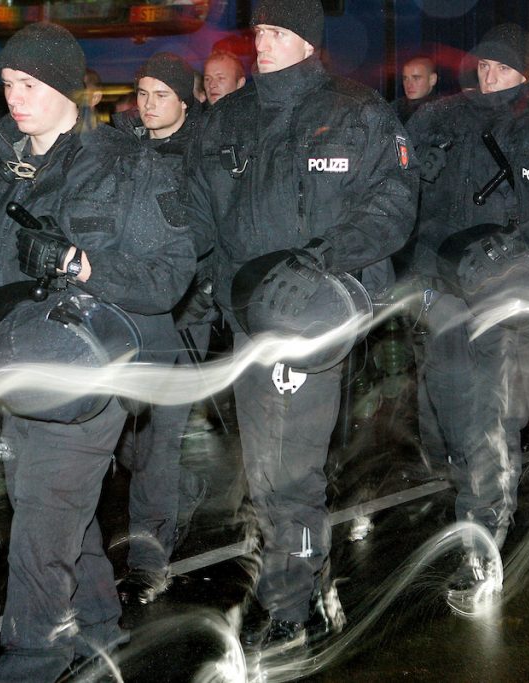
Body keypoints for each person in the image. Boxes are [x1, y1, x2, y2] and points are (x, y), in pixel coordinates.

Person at [0, 23, 195, 680]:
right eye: (11, 84)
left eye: (31, 84)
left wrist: (84, 264)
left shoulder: (127, 166)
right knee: (49, 508)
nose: (16, 98)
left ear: (67, 88)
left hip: (89, 374)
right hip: (15, 371)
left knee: (43, 519)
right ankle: (101, 627)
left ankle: (33, 656)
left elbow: (170, 275)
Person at [182, 0, 417, 654]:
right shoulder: (227, 117)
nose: (264, 43)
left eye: (278, 32)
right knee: (265, 469)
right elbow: (198, 215)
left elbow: (393, 204)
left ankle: (298, 593)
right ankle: (294, 574)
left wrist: (324, 258)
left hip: (313, 314)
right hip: (245, 317)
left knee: (294, 470)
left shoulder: (356, 112)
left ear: (308, 42)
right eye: (260, 31)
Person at [406, 23, 529, 583]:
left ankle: (485, 532)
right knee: (445, 405)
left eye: (501, 66)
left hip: (510, 289)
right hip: (446, 288)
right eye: (483, 65)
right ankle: (469, 498)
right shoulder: (445, 119)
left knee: (492, 414)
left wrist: (513, 250)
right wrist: (422, 270)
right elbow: (410, 201)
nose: (489, 74)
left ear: (525, 71)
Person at [112, 51, 210, 606]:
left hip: (180, 315)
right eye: (143, 94)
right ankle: (182, 491)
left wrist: (197, 304)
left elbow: (207, 232)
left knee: (157, 441)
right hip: (123, 308)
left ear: (184, 99)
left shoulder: (199, 156)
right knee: (122, 439)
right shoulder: (120, 148)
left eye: (161, 96)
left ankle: (148, 561)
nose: (149, 106)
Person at [393, 56, 438, 124]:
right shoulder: (394, 109)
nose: (409, 84)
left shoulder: (443, 112)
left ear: (432, 79)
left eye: (416, 78)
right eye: (405, 78)